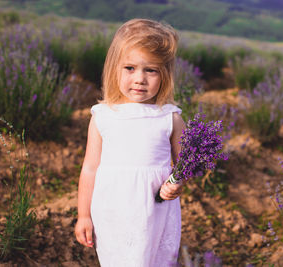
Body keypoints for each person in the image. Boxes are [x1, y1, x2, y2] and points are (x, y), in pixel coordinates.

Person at [74, 18, 185, 266]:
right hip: (113, 209)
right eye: (130, 68)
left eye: (151, 70)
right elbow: (90, 168)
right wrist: (83, 215)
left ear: (165, 74)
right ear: (115, 68)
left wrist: (176, 185)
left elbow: (184, 166)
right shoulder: (103, 116)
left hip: (155, 210)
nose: (140, 79)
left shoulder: (170, 118)